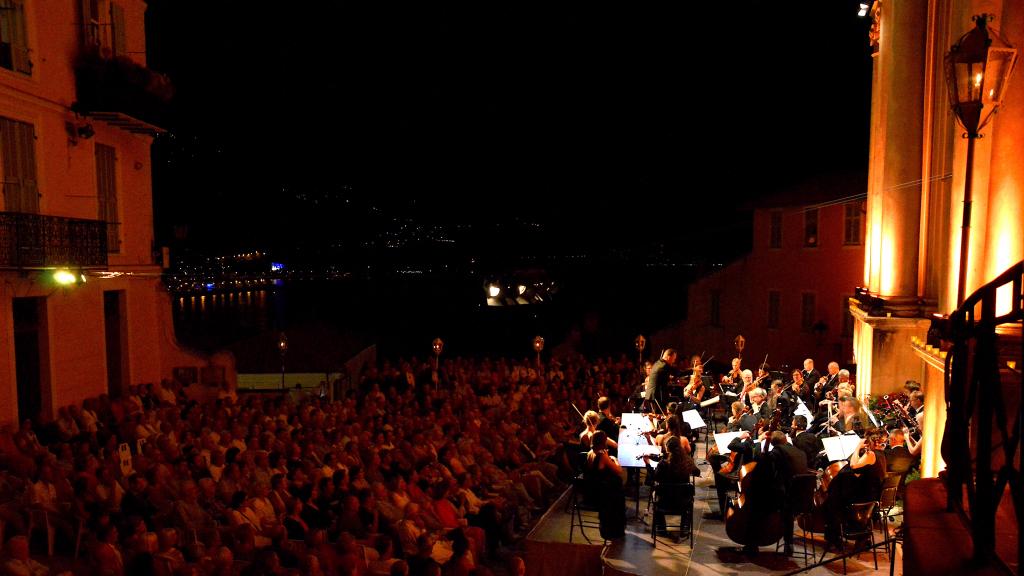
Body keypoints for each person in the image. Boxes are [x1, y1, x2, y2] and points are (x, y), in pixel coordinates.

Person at [584, 431, 625, 539]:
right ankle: (615, 530)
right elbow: (619, 470)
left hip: (591, 490)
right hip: (602, 494)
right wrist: (614, 459)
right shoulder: (602, 455)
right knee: (618, 486)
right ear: (603, 441)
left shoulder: (590, 453)